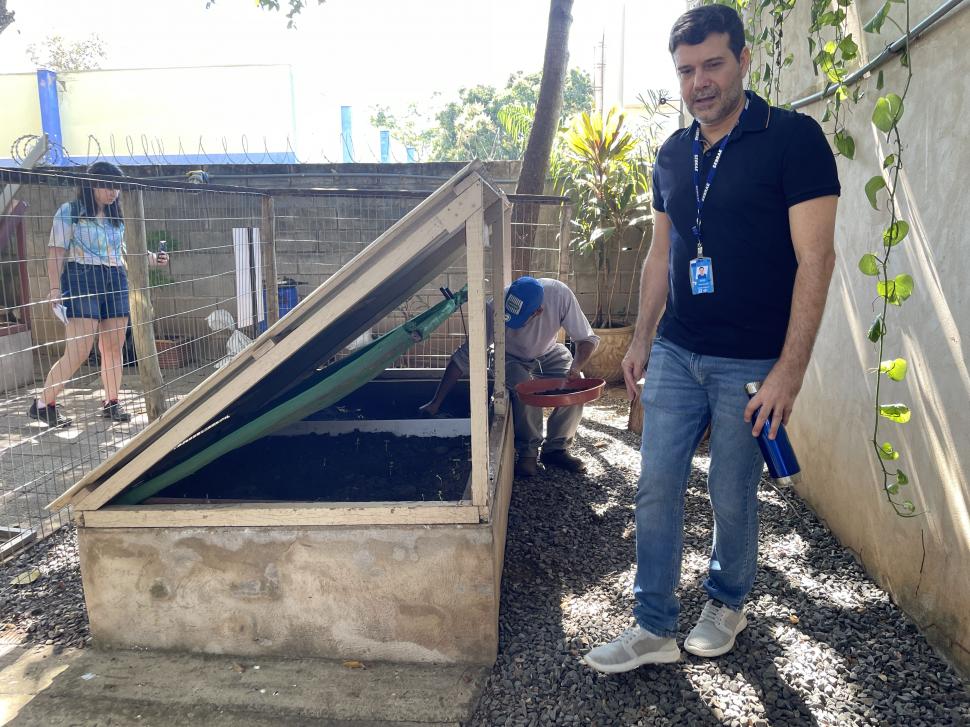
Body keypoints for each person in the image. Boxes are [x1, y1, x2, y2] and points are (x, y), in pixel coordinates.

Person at [584, 4, 839, 672]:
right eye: (686, 69)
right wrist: (641, 338)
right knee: (655, 484)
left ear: (744, 60)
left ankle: (726, 600)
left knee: (731, 493)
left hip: (752, 360)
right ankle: (652, 625)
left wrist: (789, 372)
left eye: (713, 64)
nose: (698, 81)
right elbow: (659, 249)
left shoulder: (792, 139)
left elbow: (817, 260)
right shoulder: (672, 153)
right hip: (677, 348)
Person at [27, 161, 169, 428]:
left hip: (115, 278)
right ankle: (43, 404)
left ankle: (112, 402)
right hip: (81, 278)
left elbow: (123, 251)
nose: (113, 192)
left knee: (113, 347)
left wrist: (153, 259)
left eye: (116, 186)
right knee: (79, 350)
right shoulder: (69, 212)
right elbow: (56, 252)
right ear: (91, 184)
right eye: (107, 185)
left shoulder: (117, 216)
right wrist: (55, 288)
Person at [419, 276, 600, 478]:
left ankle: (556, 449)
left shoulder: (560, 294)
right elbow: (464, 356)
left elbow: (587, 339)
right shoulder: (495, 306)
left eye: (519, 320)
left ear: (539, 311)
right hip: (509, 355)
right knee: (524, 387)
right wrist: (435, 402)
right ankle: (528, 453)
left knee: (576, 385)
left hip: (549, 353)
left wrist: (575, 367)